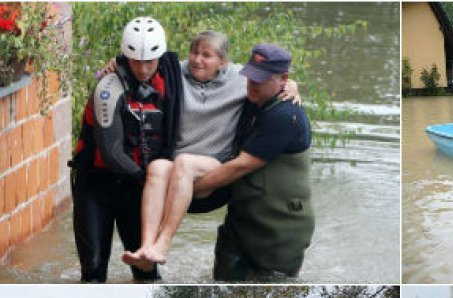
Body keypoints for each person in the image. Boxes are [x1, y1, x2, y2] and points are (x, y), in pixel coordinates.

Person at [120, 31, 302, 272]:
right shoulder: (175, 73)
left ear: (223, 62)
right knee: (157, 166)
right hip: (178, 165)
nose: (197, 60)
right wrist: (117, 62)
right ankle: (146, 248)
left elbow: (272, 79)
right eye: (195, 52)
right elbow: (142, 61)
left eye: (207, 55)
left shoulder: (241, 79)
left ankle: (163, 245)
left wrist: (292, 85)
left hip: (214, 163)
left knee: (184, 162)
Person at [70, 16, 182, 282]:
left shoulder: (174, 79)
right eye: (136, 62)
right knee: (94, 269)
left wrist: (288, 84)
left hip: (138, 190)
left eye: (150, 62)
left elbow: (214, 69)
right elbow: (111, 154)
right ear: (124, 56)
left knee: (146, 272)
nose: (143, 69)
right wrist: (154, 183)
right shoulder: (107, 88)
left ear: (160, 57)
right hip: (97, 184)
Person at [192, 43, 314, 282]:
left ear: (283, 79)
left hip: (280, 231)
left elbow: (241, 165)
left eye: (259, 80)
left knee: (273, 285)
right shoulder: (253, 101)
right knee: (221, 284)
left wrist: (192, 190)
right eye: (250, 77)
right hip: (240, 221)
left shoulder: (285, 116)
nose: (251, 85)